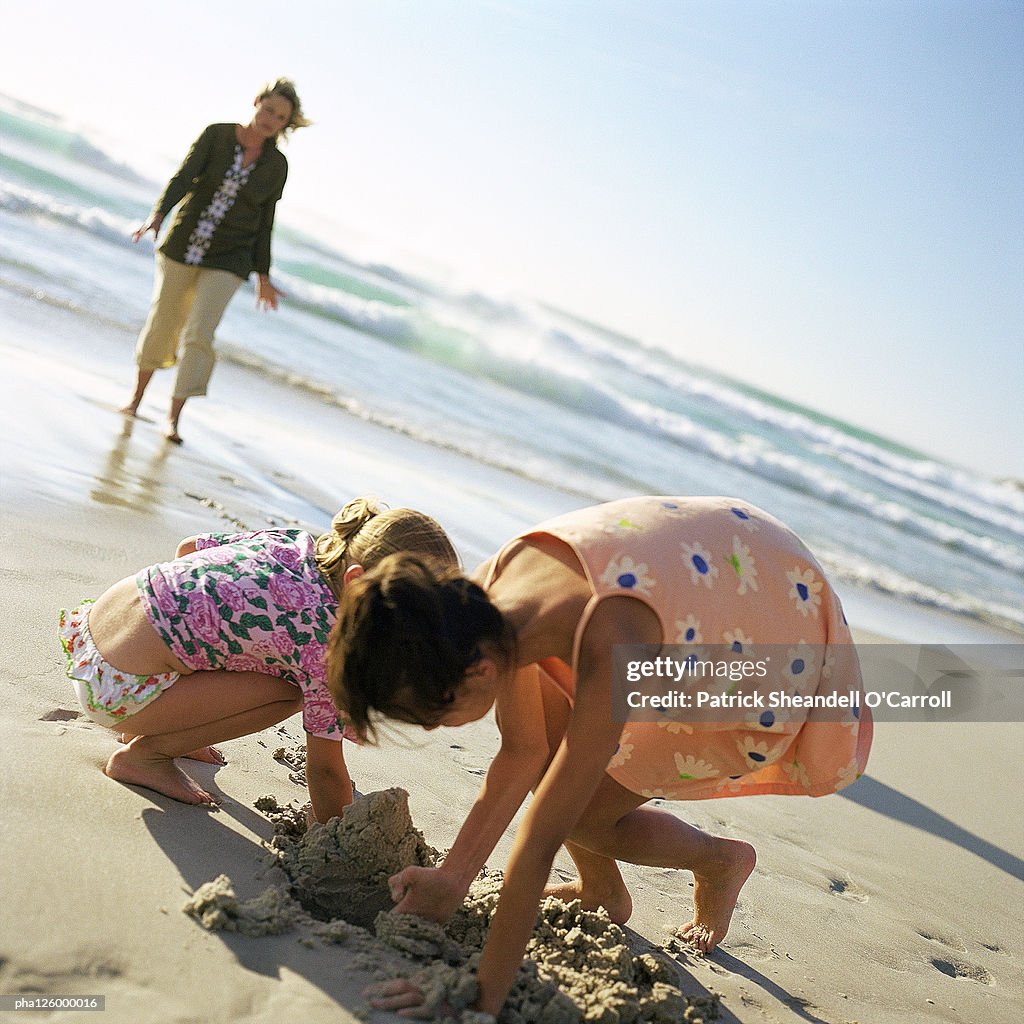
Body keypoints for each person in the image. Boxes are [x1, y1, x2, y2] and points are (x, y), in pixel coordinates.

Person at [328, 495, 873, 1018]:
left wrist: (480, 996)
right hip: (720, 561)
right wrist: (452, 879)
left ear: (478, 673)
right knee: (547, 756)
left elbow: (540, 839)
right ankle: (601, 889)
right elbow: (522, 751)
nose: (429, 728)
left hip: (760, 634)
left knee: (584, 813)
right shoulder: (480, 606)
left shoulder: (611, 639)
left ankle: (717, 859)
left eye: (428, 715)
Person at [59, 498, 458, 821]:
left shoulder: (292, 543)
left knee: (234, 636)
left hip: (94, 634)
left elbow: (187, 549)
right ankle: (147, 755)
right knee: (286, 694)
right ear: (357, 582)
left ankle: (162, 719)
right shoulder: (330, 642)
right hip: (115, 693)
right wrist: (338, 840)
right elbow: (323, 768)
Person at [121, 78, 310, 443]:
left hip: (230, 257)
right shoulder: (217, 135)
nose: (271, 119)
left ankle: (173, 420)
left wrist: (263, 274)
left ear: (286, 124)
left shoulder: (277, 166)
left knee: (200, 332)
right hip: (182, 244)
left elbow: (265, 221)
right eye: (268, 109)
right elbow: (183, 176)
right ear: (256, 102)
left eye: (280, 117)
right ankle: (135, 400)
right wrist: (159, 215)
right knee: (164, 320)